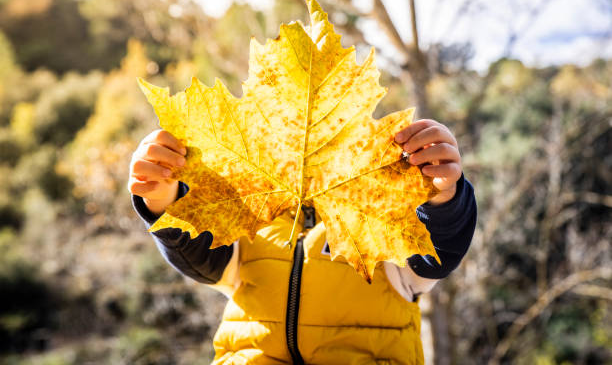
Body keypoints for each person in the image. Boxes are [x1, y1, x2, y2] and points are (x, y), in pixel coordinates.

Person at [128, 118, 477, 364]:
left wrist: (442, 195)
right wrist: (161, 198)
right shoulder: (251, 218)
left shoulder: (378, 215)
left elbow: (437, 248)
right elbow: (196, 252)